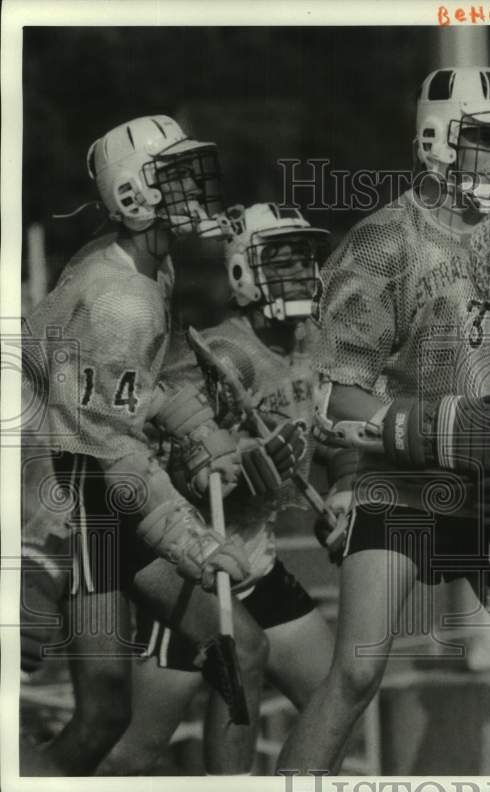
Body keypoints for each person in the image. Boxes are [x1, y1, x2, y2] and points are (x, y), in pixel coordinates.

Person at [278, 66, 490, 774]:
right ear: (437, 141)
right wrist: (428, 428)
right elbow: (333, 396)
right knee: (356, 673)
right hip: (401, 488)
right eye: (485, 139)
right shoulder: (379, 245)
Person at [21, 116, 282, 774]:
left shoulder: (143, 261)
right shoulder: (124, 300)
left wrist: (196, 424)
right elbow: (117, 456)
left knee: (241, 649)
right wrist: (197, 545)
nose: (197, 188)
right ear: (134, 197)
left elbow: (128, 388)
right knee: (102, 713)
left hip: (101, 477)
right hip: (80, 496)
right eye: (177, 176)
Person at [98, 203, 337, 774]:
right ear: (243, 272)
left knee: (338, 699)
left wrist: (346, 488)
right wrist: (238, 471)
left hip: (257, 554)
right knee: (138, 749)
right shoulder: (223, 354)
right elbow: (174, 469)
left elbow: (322, 433)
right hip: (197, 562)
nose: (301, 274)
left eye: (304, 259)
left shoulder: (310, 344)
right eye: (282, 261)